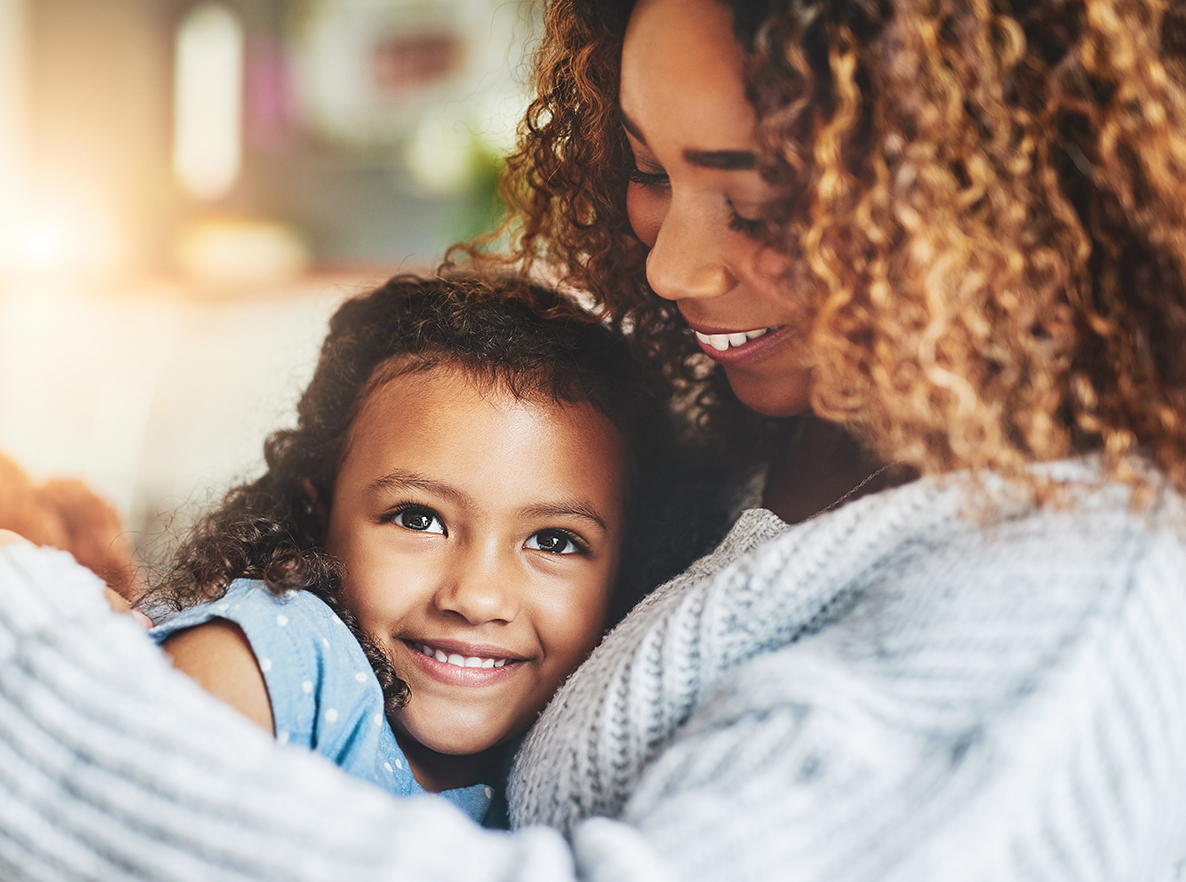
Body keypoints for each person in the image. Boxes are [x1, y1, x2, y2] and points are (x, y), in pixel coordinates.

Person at [1, 0, 1185, 879]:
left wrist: (35, 669)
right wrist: (106, 608)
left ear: (1000, 202)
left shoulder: (1073, 609)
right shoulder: (755, 421)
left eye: (759, 202)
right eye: (646, 167)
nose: (671, 265)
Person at [136, 272, 714, 824]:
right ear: (317, 513)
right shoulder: (276, 657)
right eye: (418, 519)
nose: (477, 597)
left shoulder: (571, 757)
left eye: (553, 541)